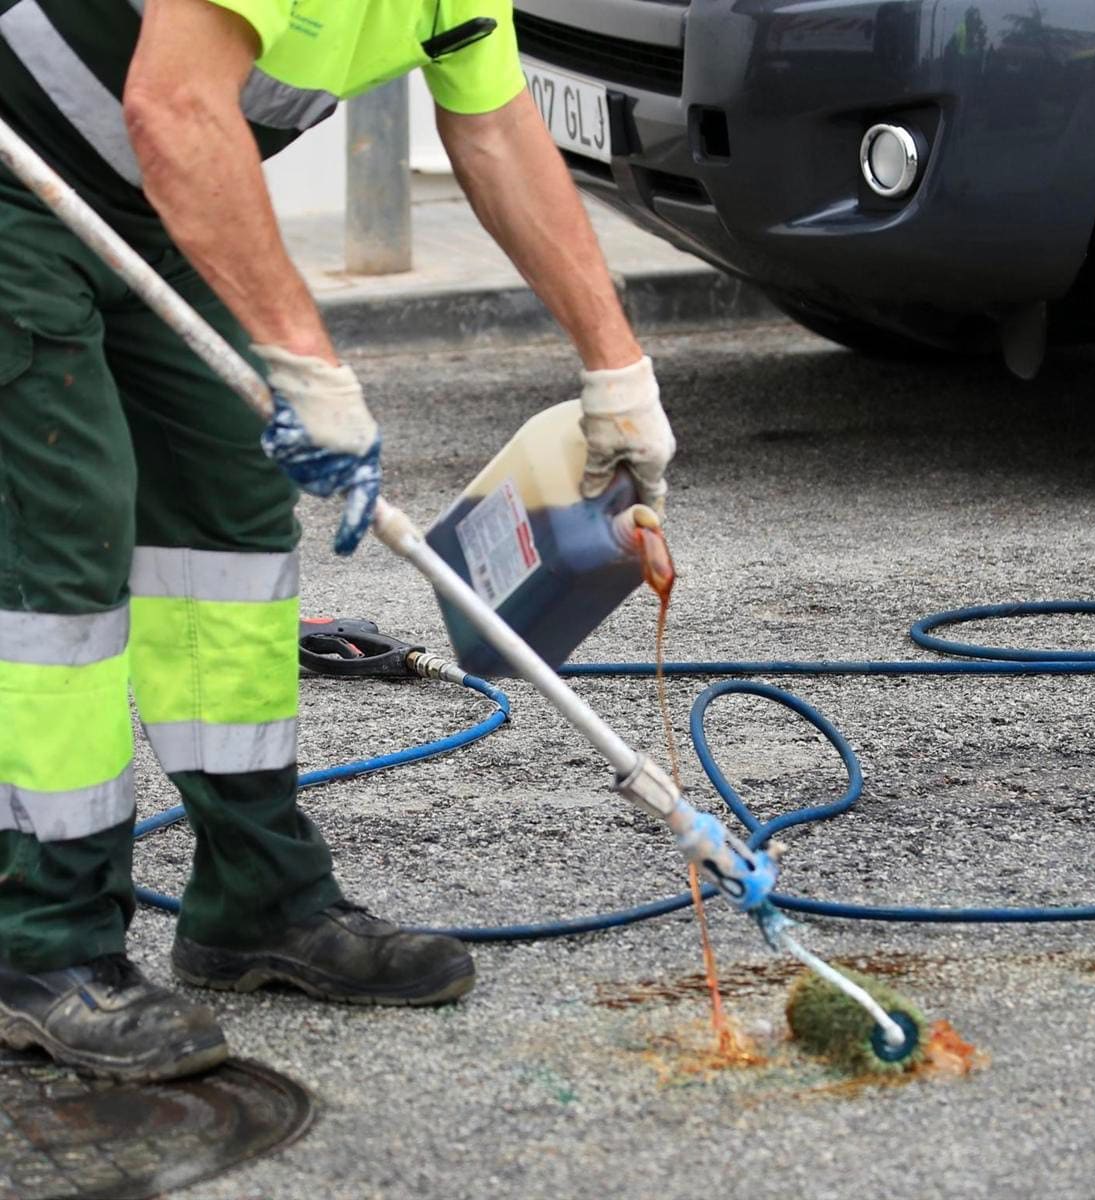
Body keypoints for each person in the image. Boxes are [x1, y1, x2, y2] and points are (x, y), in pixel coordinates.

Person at [0, 0, 675, 1083]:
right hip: (18, 174)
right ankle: (42, 948)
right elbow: (173, 104)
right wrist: (313, 370)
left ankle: (257, 900)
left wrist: (616, 368)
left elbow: (495, 125)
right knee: (63, 549)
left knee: (229, 529)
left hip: (149, 199)